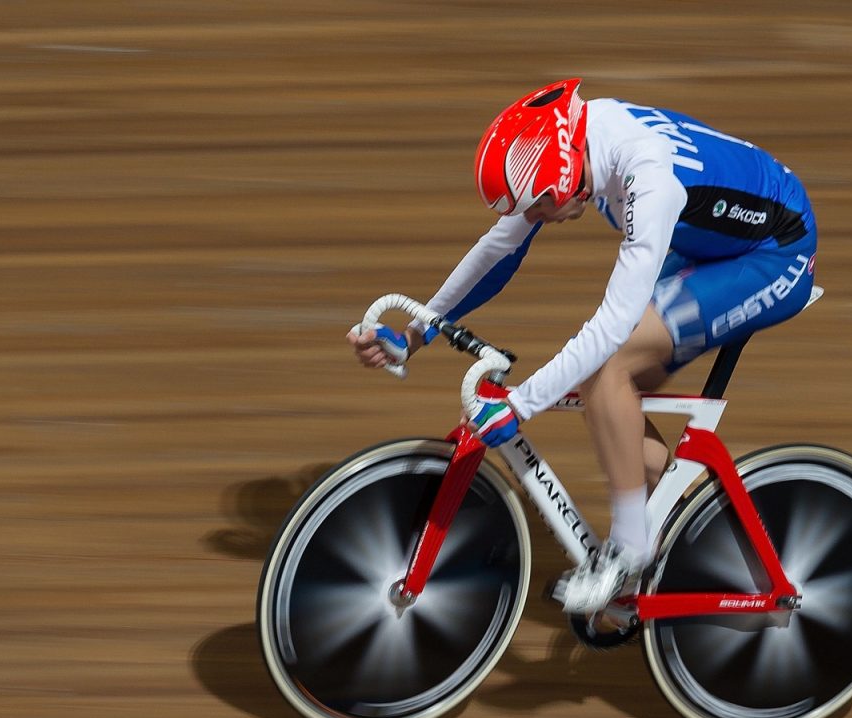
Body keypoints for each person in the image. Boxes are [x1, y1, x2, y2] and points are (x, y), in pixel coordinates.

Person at [348, 78, 816, 620]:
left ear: (567, 173)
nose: (539, 216)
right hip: (709, 242)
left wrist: (519, 403)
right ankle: (685, 527)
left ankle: (629, 549)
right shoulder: (574, 145)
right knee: (608, 395)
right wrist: (417, 333)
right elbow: (498, 249)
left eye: (542, 205)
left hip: (774, 255)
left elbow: (612, 328)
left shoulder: (645, 176)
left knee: (607, 371)